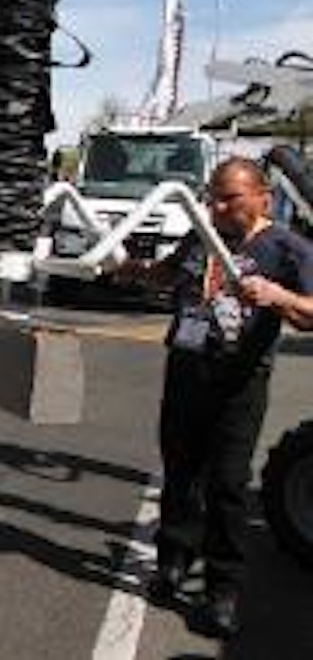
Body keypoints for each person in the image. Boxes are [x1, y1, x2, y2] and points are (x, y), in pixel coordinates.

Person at [118, 157, 313, 638]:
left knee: (227, 484)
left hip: (239, 382)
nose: (217, 207)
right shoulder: (202, 235)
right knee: (180, 473)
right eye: (212, 198)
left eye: (230, 198)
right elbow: (169, 274)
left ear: (263, 197)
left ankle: (222, 588)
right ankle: (173, 561)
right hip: (186, 371)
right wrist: (131, 270)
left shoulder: (287, 247)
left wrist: (278, 296)